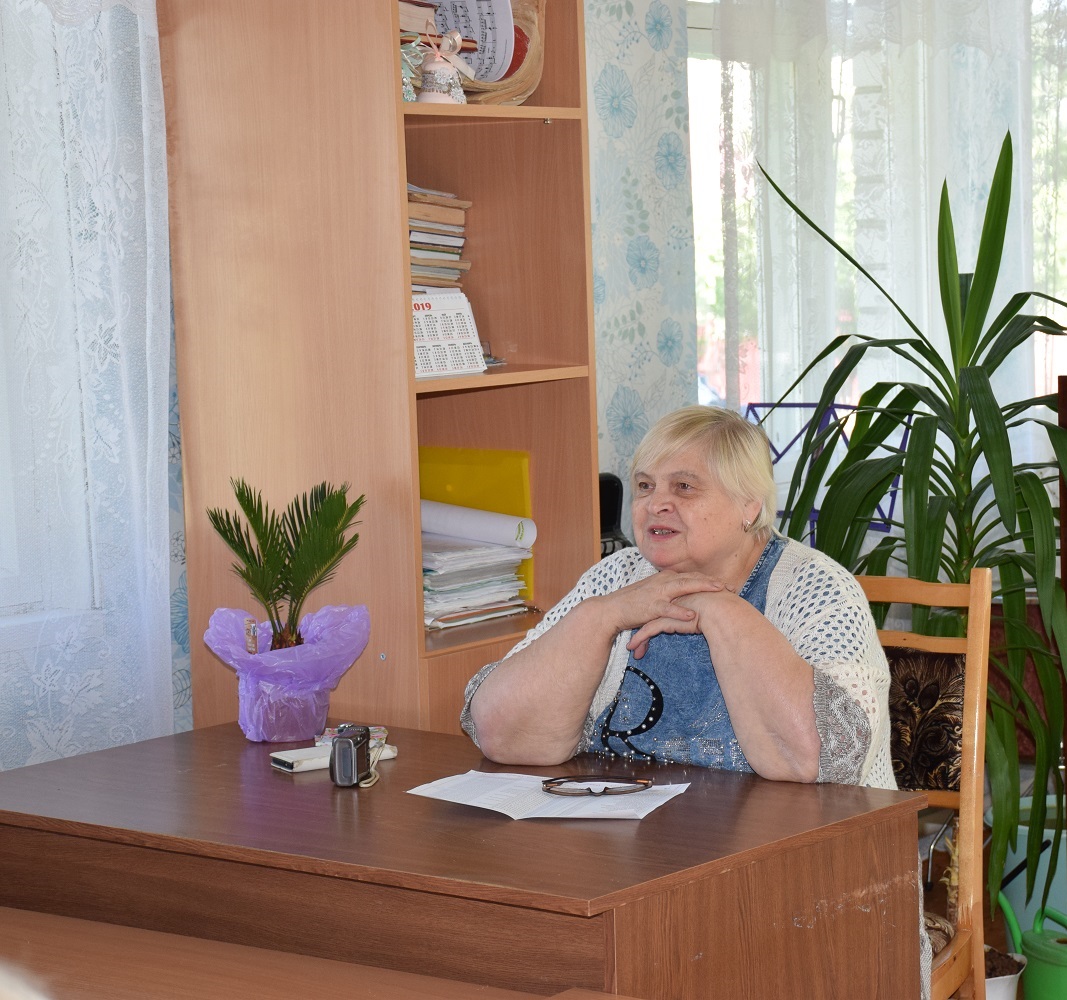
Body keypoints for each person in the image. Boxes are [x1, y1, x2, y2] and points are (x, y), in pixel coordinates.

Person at [461, 404, 896, 789]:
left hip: (788, 845)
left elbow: (823, 761)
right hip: (629, 837)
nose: (656, 504)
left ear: (749, 505)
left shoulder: (816, 589)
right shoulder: (617, 576)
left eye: (684, 487)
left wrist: (719, 609)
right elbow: (500, 734)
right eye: (645, 486)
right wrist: (601, 617)